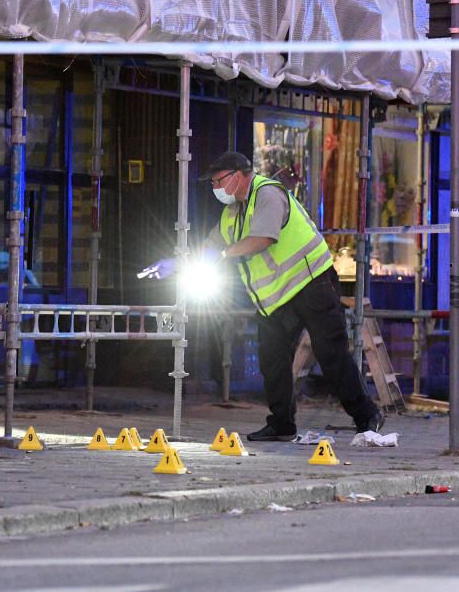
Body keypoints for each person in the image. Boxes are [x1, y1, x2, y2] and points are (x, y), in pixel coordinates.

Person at [145, 151, 384, 442]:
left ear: (238, 175)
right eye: (212, 184)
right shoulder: (231, 214)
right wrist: (175, 264)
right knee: (271, 362)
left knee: (331, 354)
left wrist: (222, 254)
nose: (215, 188)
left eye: (218, 181)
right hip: (275, 299)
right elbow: (208, 247)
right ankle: (282, 424)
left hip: (312, 283)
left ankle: (367, 415)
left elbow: (263, 239)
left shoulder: (268, 193)